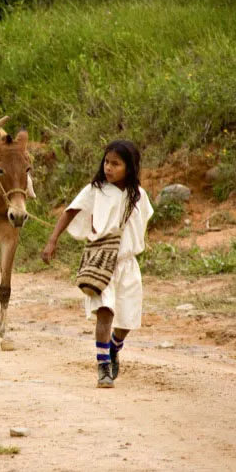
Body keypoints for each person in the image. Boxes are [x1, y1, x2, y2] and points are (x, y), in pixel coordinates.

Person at [41, 140, 153, 388]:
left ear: (130, 167)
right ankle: (103, 366)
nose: (108, 168)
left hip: (127, 264)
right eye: (106, 162)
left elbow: (143, 222)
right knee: (105, 312)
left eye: (115, 163)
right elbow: (71, 211)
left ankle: (113, 348)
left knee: (126, 321)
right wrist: (52, 241)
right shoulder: (96, 190)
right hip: (101, 262)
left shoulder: (140, 196)